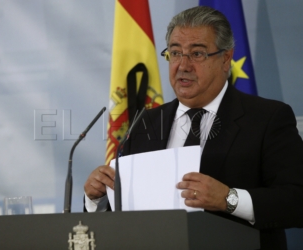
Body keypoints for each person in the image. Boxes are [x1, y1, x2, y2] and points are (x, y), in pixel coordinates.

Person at [84, 6, 303, 250]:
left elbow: (296, 200)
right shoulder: (144, 122)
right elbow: (125, 215)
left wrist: (228, 199)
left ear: (226, 58)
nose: (183, 65)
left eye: (197, 54)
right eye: (175, 53)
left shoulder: (268, 118)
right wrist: (99, 198)